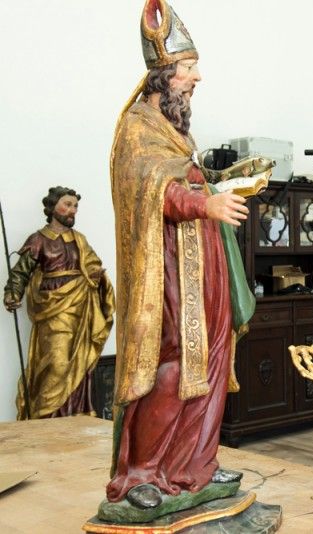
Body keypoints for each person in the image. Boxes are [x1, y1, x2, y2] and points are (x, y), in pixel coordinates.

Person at [106, 0, 251, 510]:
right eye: (188, 68)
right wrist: (202, 202)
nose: (197, 78)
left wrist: (217, 186)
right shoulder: (138, 127)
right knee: (170, 365)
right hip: (167, 273)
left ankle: (194, 467)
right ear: (163, 74)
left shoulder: (174, 130)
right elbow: (149, 189)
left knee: (211, 362)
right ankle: (141, 474)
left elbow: (183, 181)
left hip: (204, 266)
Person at [3, 187, 114, 420]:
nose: (72, 210)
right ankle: (46, 417)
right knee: (56, 363)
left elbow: (93, 266)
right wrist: (13, 293)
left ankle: (75, 414)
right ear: (53, 207)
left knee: (80, 363)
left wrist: (96, 276)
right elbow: (21, 272)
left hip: (81, 308)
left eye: (75, 206)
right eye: (67, 204)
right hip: (52, 309)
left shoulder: (79, 240)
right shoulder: (38, 239)